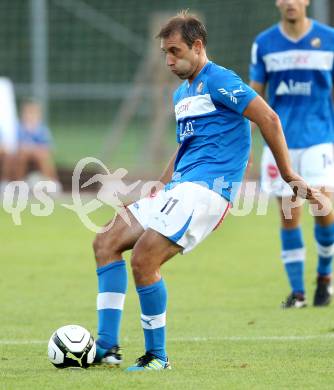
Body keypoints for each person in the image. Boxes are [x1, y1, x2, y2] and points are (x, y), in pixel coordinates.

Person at [92, 10, 316, 371]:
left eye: (175, 51)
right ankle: (107, 346)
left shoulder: (220, 80)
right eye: (165, 52)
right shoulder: (182, 92)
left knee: (144, 258)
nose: (169, 60)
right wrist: (159, 188)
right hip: (181, 186)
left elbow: (269, 118)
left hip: (208, 192)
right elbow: (185, 147)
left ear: (198, 46)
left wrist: (289, 174)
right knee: (106, 240)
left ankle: (156, 357)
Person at [249, 0, 334, 308]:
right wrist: (246, 144)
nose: (290, 2)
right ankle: (298, 293)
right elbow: (254, 96)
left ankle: (325, 277)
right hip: (279, 144)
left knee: (323, 210)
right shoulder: (265, 43)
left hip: (320, 140)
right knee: (289, 216)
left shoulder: (329, 40)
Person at [15, 99, 61, 189]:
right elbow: (15, 145)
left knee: (43, 156)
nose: (30, 116)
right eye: (27, 113)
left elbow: (50, 147)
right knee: (21, 156)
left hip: (38, 154)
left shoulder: (42, 130)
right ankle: (17, 183)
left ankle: (52, 182)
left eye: (33, 113)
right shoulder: (19, 129)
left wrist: (36, 149)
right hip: (22, 155)